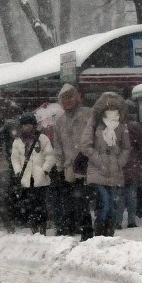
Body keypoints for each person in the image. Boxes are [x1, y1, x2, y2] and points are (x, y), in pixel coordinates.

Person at [84, 92, 131, 237]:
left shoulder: (121, 125)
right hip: (97, 170)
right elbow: (85, 145)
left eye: (114, 106)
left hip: (115, 171)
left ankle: (108, 234)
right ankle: (99, 234)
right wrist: (99, 160)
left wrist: (119, 162)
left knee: (112, 206)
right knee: (104, 204)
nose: (111, 108)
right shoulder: (95, 122)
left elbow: (126, 147)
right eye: (108, 105)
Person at [52, 84, 95, 240]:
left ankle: (99, 230)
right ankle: (83, 229)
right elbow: (58, 145)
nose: (67, 101)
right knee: (77, 201)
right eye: (64, 98)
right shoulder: (60, 121)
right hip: (70, 167)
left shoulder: (89, 114)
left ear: (77, 97)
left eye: (70, 96)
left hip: (90, 164)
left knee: (95, 199)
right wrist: (59, 166)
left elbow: (97, 138)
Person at [11, 112, 55, 235]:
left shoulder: (42, 138)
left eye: (30, 124)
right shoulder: (17, 141)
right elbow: (14, 158)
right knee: (30, 204)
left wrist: (44, 170)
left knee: (41, 204)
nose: (27, 127)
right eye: (25, 124)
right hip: (25, 177)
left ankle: (42, 228)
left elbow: (50, 156)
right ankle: (34, 228)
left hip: (40, 177)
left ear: (34, 125)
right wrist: (18, 171)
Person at [115, 100, 142, 229]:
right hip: (132, 163)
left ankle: (118, 221)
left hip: (120, 163)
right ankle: (131, 220)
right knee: (131, 194)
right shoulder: (134, 127)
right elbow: (141, 146)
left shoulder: (114, 127)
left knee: (120, 195)